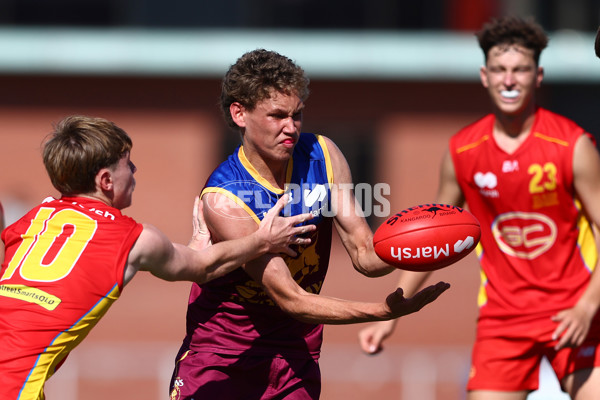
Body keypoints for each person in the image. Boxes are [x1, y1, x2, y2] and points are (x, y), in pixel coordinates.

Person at [168, 48, 451, 400]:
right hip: (223, 357)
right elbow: (291, 299)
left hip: (295, 356)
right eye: (277, 116)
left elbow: (365, 255)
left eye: (297, 114)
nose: (292, 128)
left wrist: (423, 246)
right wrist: (380, 311)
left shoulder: (322, 155)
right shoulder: (225, 197)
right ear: (239, 113)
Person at [358, 16, 600, 400]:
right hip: (502, 319)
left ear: (538, 76)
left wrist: (588, 306)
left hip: (574, 312)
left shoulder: (573, 146)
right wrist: (394, 312)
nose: (509, 80)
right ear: (484, 75)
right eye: (500, 70)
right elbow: (433, 237)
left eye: (520, 70)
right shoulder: (462, 152)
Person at [0, 115, 317, 400]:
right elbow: (204, 267)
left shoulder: (30, 220)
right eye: (128, 164)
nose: (135, 172)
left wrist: (196, 243)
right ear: (106, 181)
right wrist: (262, 239)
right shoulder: (133, 238)